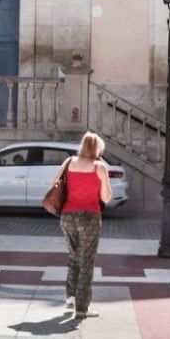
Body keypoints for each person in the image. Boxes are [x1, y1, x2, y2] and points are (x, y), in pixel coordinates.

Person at [54, 132, 114, 318]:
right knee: (87, 261)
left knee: (74, 257)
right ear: (97, 149)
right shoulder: (99, 167)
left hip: (68, 216)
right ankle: (82, 308)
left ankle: (71, 298)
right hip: (89, 217)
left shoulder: (69, 162)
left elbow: (54, 184)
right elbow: (106, 197)